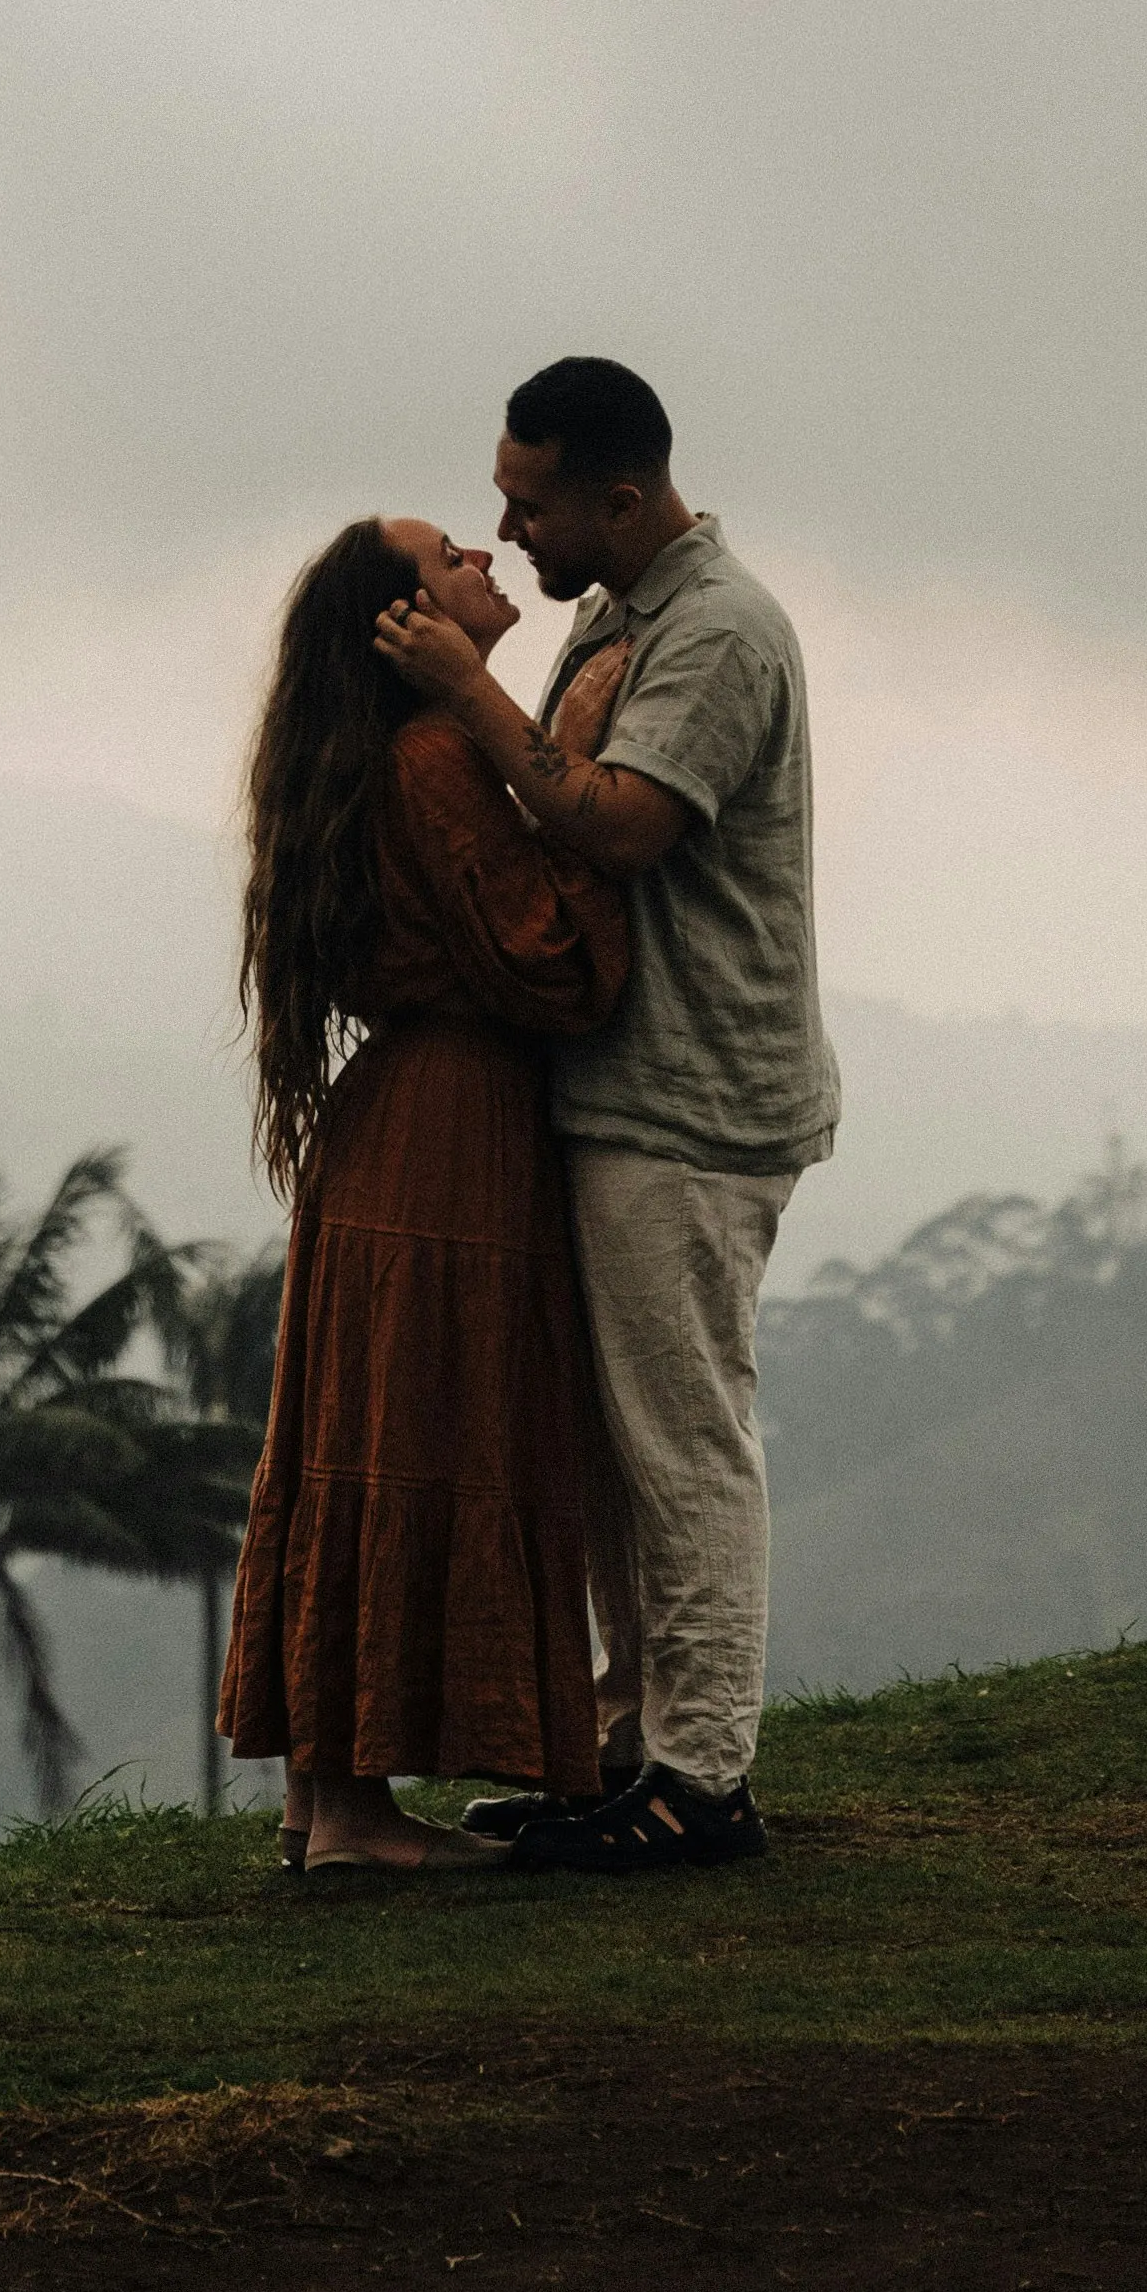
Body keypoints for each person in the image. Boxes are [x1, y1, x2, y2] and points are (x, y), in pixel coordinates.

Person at [374, 351, 834, 1879]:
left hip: (693, 1098)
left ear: (620, 496)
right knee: (616, 1448)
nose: (509, 536)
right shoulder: (619, 614)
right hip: (629, 1089)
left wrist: (465, 690)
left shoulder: (715, 630)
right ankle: (630, 1745)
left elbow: (618, 823)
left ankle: (699, 1775)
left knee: (680, 1437)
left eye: (531, 503)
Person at [218, 510, 632, 1881]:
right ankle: (350, 1815)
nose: (479, 554)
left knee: (367, 1430)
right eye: (447, 554)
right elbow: (559, 960)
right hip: (450, 1131)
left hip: (395, 1125)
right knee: (413, 1433)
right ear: (406, 623)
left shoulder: (390, 756)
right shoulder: (444, 754)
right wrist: (582, 808)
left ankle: (321, 1790)